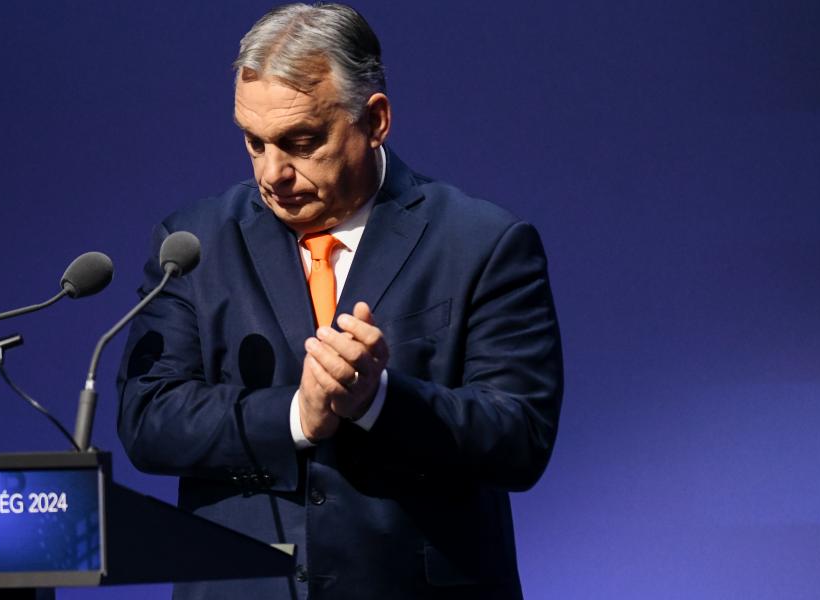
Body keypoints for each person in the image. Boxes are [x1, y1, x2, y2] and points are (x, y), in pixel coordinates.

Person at [116, 4, 563, 599]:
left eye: (301, 142)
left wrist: (379, 400)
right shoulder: (192, 244)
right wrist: (296, 415)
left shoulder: (483, 243)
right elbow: (148, 418)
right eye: (254, 142)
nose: (272, 173)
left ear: (375, 120)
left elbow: (520, 438)